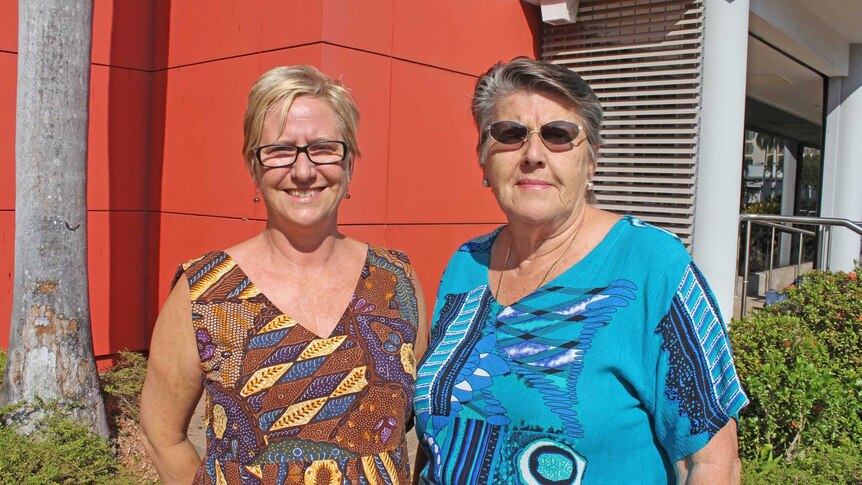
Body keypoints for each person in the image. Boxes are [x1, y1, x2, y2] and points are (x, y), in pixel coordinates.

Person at [413, 57, 748, 484]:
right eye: (510, 134)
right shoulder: (466, 262)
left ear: (591, 162)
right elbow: (436, 438)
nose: (533, 154)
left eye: (558, 135)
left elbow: (710, 463)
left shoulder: (653, 264)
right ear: (483, 161)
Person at [140, 65, 427, 484]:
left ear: (350, 163)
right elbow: (160, 435)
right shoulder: (206, 292)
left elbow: (412, 426)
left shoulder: (395, 281)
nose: (304, 171)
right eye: (280, 151)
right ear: (253, 167)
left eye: (324, 148)